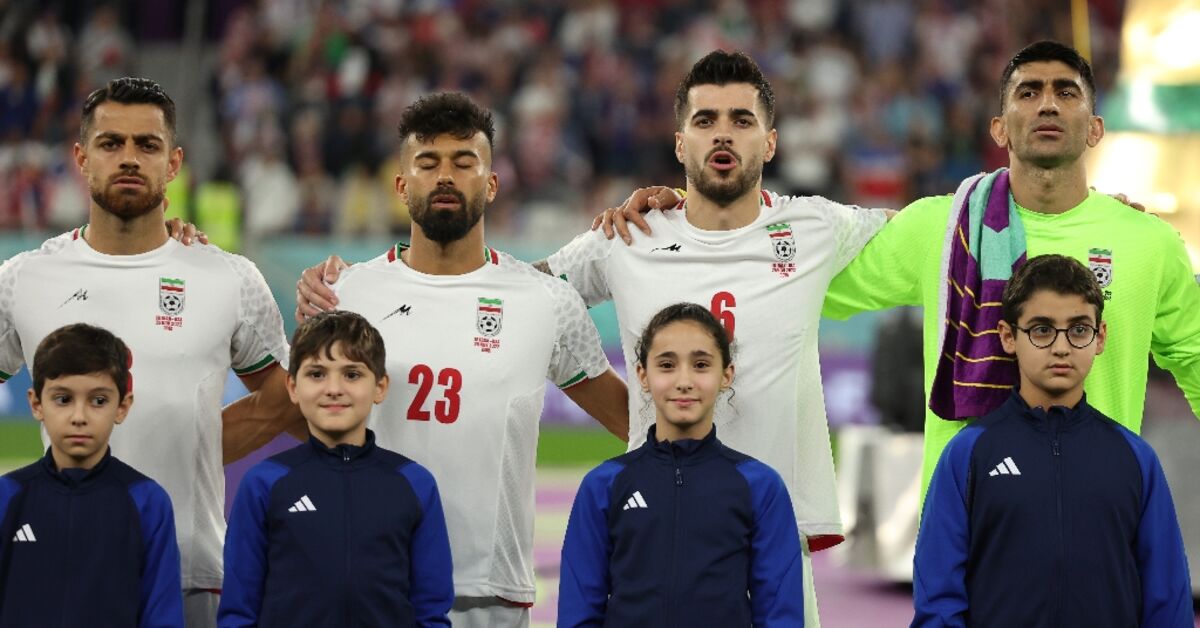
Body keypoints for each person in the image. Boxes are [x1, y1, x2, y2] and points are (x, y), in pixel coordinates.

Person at [297, 51, 886, 627]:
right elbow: (517, 287)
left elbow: (916, 233)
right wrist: (367, 284)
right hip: (655, 519)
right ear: (679, 144)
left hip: (778, 524)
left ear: (772, 142)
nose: (723, 134)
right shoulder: (628, 237)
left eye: (742, 120)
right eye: (705, 120)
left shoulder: (816, 225)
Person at [599, 41, 1200, 502]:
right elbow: (792, 271)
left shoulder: (1148, 243)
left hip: (1102, 513)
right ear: (999, 127)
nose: (1047, 103)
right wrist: (692, 213)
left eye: (1066, 92)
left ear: (1095, 128)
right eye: (1028, 92)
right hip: (971, 523)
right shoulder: (940, 227)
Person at [297, 92, 629, 627]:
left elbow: (633, 422)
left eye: (464, 162)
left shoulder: (546, 301)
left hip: (492, 596)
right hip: (371, 583)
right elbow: (304, 424)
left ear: (491, 183)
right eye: (428, 163)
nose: (445, 176)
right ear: (401, 185)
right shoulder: (346, 294)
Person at [0, 77, 299, 625]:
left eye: (148, 144)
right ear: (81, 158)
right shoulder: (25, 278)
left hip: (191, 572)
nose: (129, 158)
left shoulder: (228, 278)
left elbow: (287, 400)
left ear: (174, 162)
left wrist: (195, 441)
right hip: (60, 566)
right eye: (111, 143)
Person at [913, 254, 1191, 626]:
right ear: (1008, 336)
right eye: (1042, 330)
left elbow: (1167, 595)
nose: (1062, 347)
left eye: (1078, 330)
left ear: (1100, 337)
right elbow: (938, 595)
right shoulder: (969, 454)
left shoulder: (1135, 458)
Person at [558, 303, 805, 627]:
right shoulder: (604, 485)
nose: (684, 381)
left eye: (701, 365)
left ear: (726, 374)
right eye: (667, 365)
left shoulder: (760, 486)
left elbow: (780, 615)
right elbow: (578, 614)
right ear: (643, 375)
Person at [219, 311, 453, 627]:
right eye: (317, 374)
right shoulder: (264, 483)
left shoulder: (414, 484)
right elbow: (238, 610)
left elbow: (431, 611)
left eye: (352, 374)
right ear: (292, 387)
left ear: (380, 386)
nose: (334, 388)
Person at [0, 323, 184, 627]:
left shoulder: (147, 502)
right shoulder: (7, 497)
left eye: (98, 401)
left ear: (122, 407)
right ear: (36, 404)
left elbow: (162, 616)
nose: (79, 417)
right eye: (63, 399)